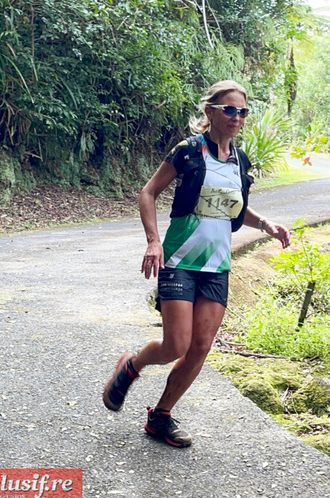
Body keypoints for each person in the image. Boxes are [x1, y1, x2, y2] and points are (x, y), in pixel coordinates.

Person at [102, 80, 291, 448]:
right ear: (210, 112)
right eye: (230, 110)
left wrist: (266, 224)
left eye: (243, 111)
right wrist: (153, 241)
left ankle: (161, 416)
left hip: (217, 265)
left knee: (201, 346)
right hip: (179, 260)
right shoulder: (189, 152)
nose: (237, 117)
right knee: (175, 345)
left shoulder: (240, 161)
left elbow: (234, 208)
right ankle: (131, 366)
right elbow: (148, 192)